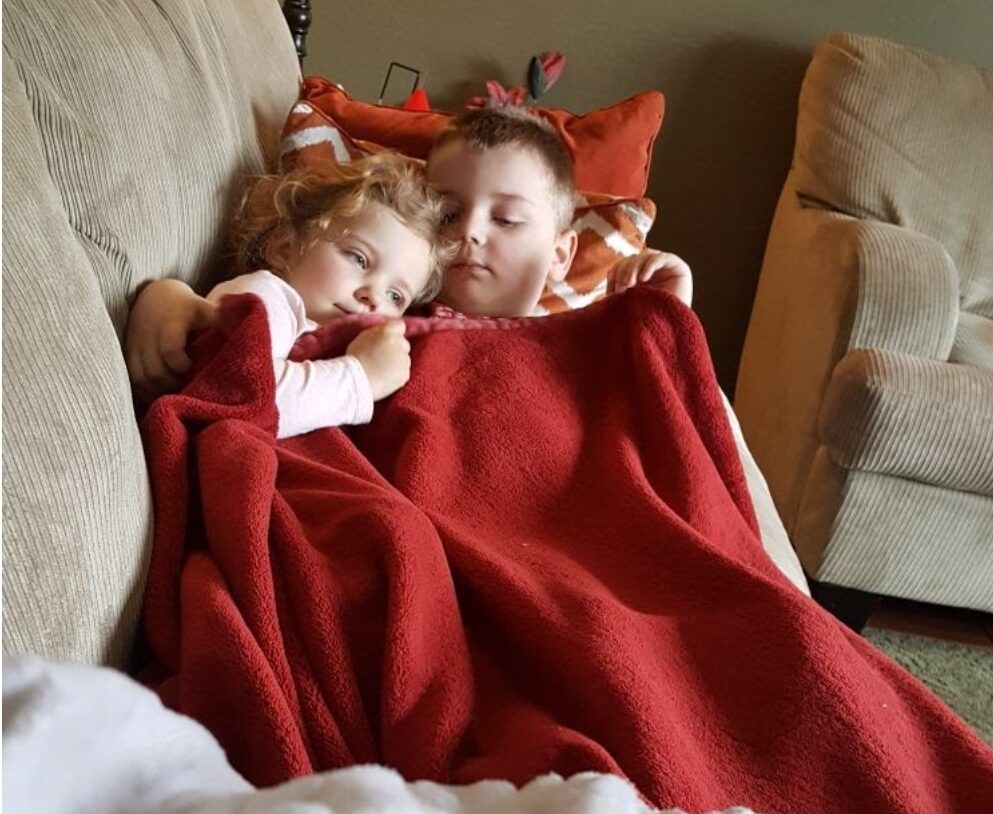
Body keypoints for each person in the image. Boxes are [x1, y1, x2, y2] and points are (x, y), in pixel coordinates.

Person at [125, 106, 691, 398]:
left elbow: (645, 419)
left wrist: (665, 320)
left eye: (508, 219)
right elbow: (256, 335)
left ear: (563, 255)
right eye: (447, 212)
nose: (469, 232)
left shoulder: (576, 341)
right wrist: (171, 298)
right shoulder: (376, 316)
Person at [127, 152, 455, 438]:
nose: (373, 295)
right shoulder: (266, 298)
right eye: (358, 258)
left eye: (396, 296)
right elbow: (244, 394)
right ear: (285, 246)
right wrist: (361, 378)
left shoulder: (346, 338)